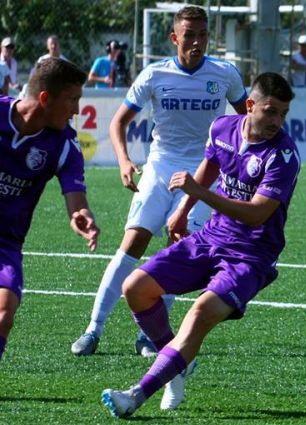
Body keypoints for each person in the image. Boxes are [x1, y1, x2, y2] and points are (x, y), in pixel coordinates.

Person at [100, 72, 300, 419]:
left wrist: (200, 195)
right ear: (249, 105)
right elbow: (208, 169)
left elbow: (256, 214)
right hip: (211, 237)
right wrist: (182, 211)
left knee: (198, 314)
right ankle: (178, 363)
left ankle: (135, 395)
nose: (276, 122)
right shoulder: (222, 128)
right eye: (270, 111)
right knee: (135, 288)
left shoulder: (283, 155)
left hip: (250, 256)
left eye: (283, 114)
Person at [70, 6, 248, 365]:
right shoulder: (154, 74)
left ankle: (148, 334)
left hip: (202, 171)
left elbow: (247, 121)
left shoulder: (225, 74)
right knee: (133, 242)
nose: (196, 41)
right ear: (174, 37)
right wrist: (124, 160)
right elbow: (118, 122)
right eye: (189, 35)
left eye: (202, 34)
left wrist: (236, 164)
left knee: (177, 247)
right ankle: (93, 328)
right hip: (161, 165)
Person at [0, 58, 100, 362]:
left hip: (5, 243)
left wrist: (81, 215)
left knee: (4, 310)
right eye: (72, 99)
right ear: (45, 98)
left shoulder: (65, 144)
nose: (76, 110)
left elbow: (76, 200)